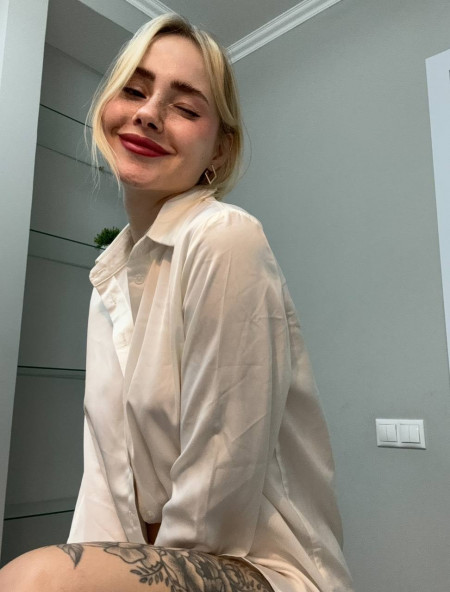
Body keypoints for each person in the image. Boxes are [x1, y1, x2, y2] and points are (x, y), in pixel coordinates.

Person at [0, 13, 353, 592]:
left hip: (264, 569)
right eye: (134, 90)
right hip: (163, 563)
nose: (148, 113)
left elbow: (217, 497)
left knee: (38, 580)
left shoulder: (224, 237)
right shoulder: (109, 279)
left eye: (186, 108)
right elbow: (105, 483)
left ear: (221, 149)